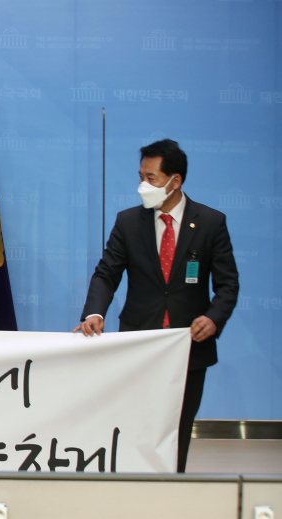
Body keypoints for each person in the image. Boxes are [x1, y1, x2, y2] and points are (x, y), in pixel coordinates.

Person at [76, 138, 238, 473]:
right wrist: (94, 312)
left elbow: (227, 285)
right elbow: (107, 273)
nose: (143, 185)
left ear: (174, 181)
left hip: (189, 345)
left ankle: (172, 488)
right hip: (140, 343)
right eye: (141, 176)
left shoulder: (210, 222)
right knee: (135, 424)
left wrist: (213, 318)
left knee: (178, 429)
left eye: (151, 178)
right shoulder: (128, 222)